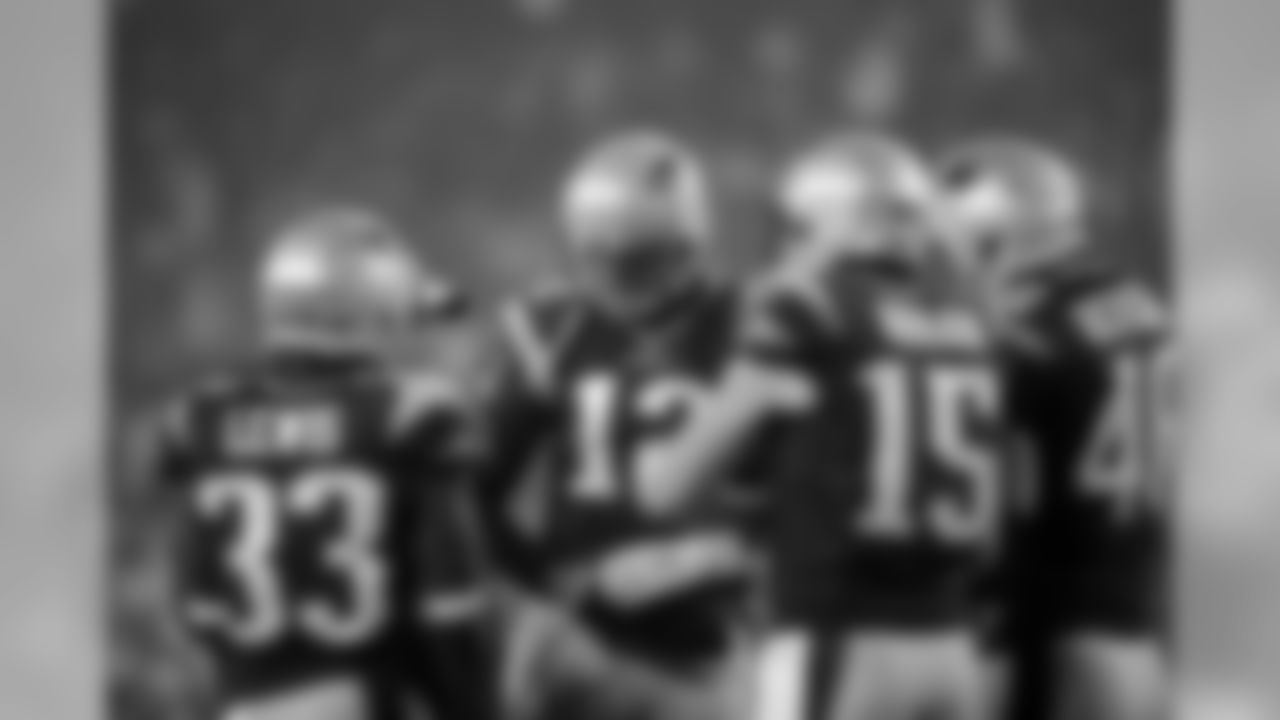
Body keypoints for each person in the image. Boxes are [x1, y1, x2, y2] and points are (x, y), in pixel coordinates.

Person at [639, 130, 1009, 720]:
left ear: (831, 225)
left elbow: (668, 489)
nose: (789, 246)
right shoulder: (968, 327)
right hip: (952, 645)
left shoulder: (810, 311)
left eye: (798, 229)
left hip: (842, 638)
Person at [146, 208, 493, 720]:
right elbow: (451, 610)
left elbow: (195, 608)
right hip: (362, 698)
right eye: (402, 319)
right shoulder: (408, 417)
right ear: (373, 318)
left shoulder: (206, 418)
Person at [476, 129, 758, 720]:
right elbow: (473, 491)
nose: (624, 281)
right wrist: (547, 584)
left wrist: (717, 556)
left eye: (643, 262)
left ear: (691, 242)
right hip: (589, 627)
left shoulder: (746, 325)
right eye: (606, 262)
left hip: (707, 627)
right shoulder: (554, 330)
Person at [939, 138, 1173, 720]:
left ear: (994, 239)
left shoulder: (1024, 339)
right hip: (1137, 618)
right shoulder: (1138, 302)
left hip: (1056, 631)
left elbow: (1002, 509)